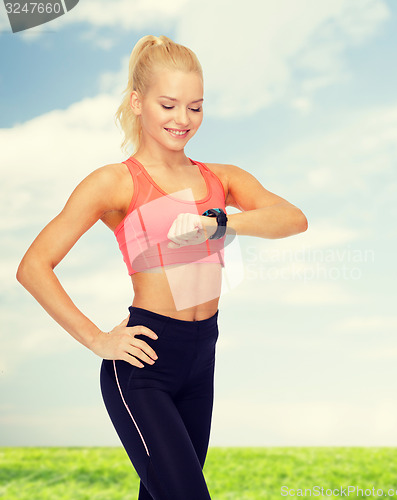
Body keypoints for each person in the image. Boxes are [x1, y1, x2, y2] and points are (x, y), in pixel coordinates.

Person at [16, 34, 308, 500]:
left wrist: (221, 224)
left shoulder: (220, 179)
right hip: (144, 361)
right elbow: (33, 266)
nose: (183, 120)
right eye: (168, 105)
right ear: (138, 102)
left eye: (195, 107)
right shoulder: (114, 182)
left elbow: (293, 219)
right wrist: (97, 339)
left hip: (201, 355)